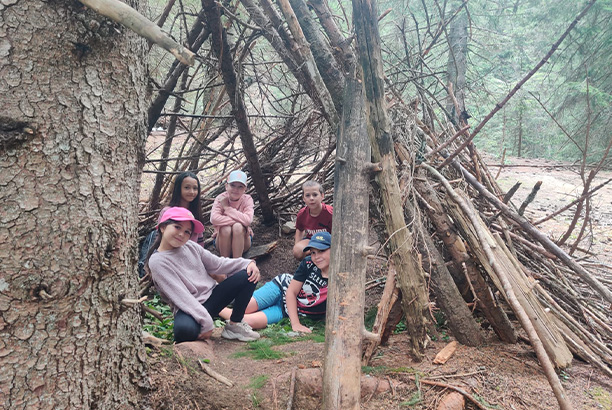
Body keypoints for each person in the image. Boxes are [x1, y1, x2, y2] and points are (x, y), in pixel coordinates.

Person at [146, 207, 262, 343]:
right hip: (188, 307)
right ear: (163, 227)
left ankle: (234, 325)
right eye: (177, 227)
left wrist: (247, 263)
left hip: (213, 297)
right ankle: (199, 328)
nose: (182, 234)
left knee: (248, 275)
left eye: (187, 232)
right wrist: (206, 321)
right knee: (184, 332)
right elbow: (181, 296)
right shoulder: (157, 262)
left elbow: (218, 264)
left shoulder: (190, 246)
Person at [221, 232, 331, 333]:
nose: (316, 257)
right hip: (280, 288)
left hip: (287, 310)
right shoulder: (308, 263)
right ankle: (211, 303)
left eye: (321, 251)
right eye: (313, 252)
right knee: (241, 308)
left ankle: (214, 308)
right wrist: (295, 324)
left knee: (247, 321)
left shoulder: (339, 278)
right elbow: (291, 292)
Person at [210, 170, 254, 258]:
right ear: (226, 186)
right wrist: (242, 221)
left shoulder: (247, 199)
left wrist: (227, 208)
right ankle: (225, 262)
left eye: (240, 187)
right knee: (226, 228)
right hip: (222, 240)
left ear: (245, 189)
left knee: (237, 227)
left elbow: (248, 220)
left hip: (243, 241)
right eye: (232, 185)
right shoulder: (220, 198)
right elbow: (214, 219)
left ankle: (237, 262)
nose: (235, 189)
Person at [159, 171, 205, 246]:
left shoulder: (196, 212)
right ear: (178, 188)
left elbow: (200, 243)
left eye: (195, 188)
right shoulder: (167, 211)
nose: (192, 192)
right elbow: (160, 238)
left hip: (190, 254)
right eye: (187, 188)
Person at [293, 180, 333, 260]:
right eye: (307, 195)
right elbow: (300, 230)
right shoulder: (302, 214)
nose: (311, 198)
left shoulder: (330, 213)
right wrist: (297, 244)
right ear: (303, 198)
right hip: (312, 241)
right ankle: (313, 255)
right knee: (297, 251)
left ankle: (317, 255)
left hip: (328, 242)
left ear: (322, 196)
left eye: (315, 195)